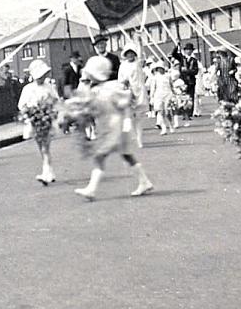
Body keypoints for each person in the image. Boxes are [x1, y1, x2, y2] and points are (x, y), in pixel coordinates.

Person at [71, 56, 153, 199]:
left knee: (100, 156)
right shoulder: (97, 90)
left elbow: (125, 105)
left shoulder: (111, 88)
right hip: (110, 127)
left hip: (116, 128)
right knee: (126, 155)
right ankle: (144, 181)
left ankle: (91, 189)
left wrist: (127, 122)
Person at [18, 59, 60, 184]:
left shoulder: (49, 87)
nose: (41, 78)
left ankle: (46, 173)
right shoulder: (27, 88)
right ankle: (49, 171)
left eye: (43, 76)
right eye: (39, 76)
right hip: (35, 121)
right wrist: (31, 111)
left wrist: (49, 110)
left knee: (45, 147)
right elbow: (21, 105)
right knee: (41, 147)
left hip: (46, 120)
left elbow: (56, 101)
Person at [118, 42, 147, 147]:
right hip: (128, 92)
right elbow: (120, 79)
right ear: (125, 55)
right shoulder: (123, 65)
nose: (130, 55)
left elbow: (141, 52)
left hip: (139, 92)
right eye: (128, 53)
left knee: (139, 117)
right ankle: (134, 135)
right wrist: (123, 83)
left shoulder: (138, 63)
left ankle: (139, 139)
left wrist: (139, 40)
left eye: (132, 53)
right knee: (130, 117)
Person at [172, 42, 199, 123]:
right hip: (183, 81)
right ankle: (184, 113)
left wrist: (187, 71)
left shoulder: (194, 60)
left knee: (190, 98)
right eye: (187, 50)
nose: (188, 51)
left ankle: (189, 114)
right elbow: (174, 54)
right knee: (183, 97)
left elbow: (195, 71)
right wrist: (177, 46)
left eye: (190, 50)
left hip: (190, 81)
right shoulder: (181, 58)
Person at [148, 62, 174, 135]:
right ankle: (164, 128)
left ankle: (171, 125)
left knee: (167, 112)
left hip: (168, 94)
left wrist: (174, 94)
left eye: (161, 68)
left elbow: (171, 86)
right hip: (158, 95)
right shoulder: (155, 77)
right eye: (158, 68)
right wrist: (151, 98)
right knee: (160, 112)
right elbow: (153, 88)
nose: (160, 70)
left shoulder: (168, 76)